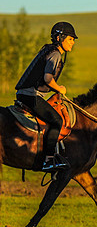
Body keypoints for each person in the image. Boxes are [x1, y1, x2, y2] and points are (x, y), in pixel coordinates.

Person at [15, 22, 78, 172]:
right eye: (70, 39)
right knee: (57, 120)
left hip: (26, 94)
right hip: (31, 95)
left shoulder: (48, 51)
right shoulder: (55, 54)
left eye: (73, 40)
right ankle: (48, 160)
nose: (73, 42)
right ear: (59, 38)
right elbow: (48, 78)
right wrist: (60, 89)